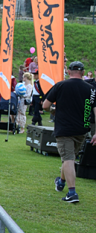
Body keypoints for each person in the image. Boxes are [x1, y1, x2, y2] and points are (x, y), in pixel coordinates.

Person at [43, 61, 96, 204]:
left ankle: (72, 193)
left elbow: (45, 105)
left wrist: (54, 110)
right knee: (69, 158)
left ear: (69, 71)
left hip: (64, 128)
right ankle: (60, 182)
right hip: (82, 130)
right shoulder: (91, 89)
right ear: (83, 73)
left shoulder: (61, 85)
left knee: (68, 159)